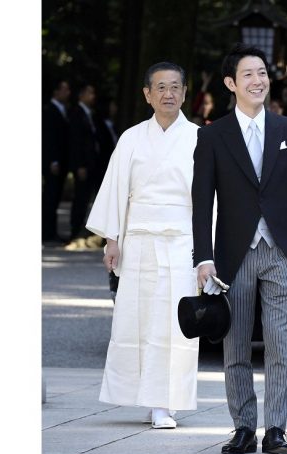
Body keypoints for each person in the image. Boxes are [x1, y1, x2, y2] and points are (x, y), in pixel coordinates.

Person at [192, 43, 287, 454]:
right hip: (233, 254)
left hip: (281, 251)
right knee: (236, 343)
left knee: (280, 342)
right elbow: (201, 201)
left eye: (262, 73)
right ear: (231, 83)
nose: (258, 81)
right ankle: (243, 427)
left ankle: (276, 428)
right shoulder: (212, 135)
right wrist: (204, 258)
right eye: (248, 74)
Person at [86, 62, 200, 429]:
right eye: (161, 87)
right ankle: (141, 395)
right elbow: (117, 190)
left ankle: (164, 403)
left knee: (174, 323)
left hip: (182, 241)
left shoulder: (200, 138)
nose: (169, 94)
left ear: (185, 93)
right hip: (138, 240)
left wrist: (207, 254)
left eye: (175, 87)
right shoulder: (131, 138)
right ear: (147, 94)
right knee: (136, 319)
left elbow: (210, 200)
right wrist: (111, 241)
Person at [68, 84, 101, 241]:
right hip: (83, 164)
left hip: (91, 163)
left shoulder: (89, 114)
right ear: (81, 95)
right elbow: (75, 141)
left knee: (86, 197)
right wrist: (79, 165)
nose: (92, 96)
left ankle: (81, 228)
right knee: (80, 197)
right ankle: (75, 230)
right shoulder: (77, 113)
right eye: (90, 93)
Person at [42, 79, 71, 243]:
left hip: (60, 161)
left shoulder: (61, 110)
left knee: (55, 197)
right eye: (64, 89)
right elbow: (49, 138)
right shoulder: (50, 110)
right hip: (53, 162)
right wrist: (52, 160)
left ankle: (50, 231)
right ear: (56, 92)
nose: (68, 93)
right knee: (50, 197)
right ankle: (46, 232)